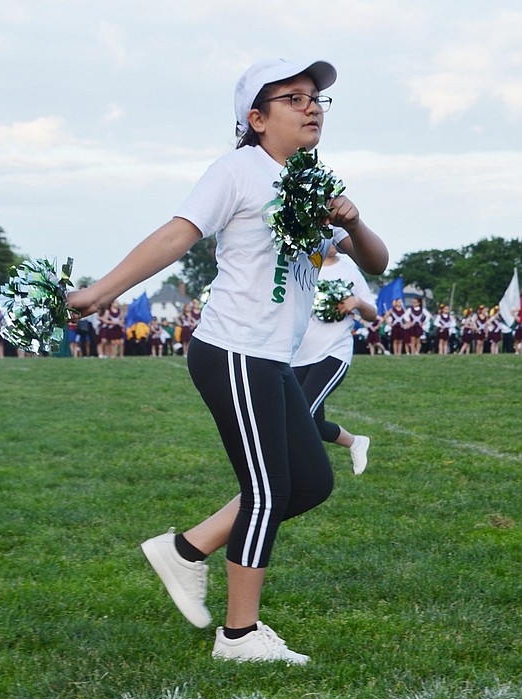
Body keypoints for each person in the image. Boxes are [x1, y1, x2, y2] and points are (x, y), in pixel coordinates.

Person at [68, 57, 388, 664]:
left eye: (316, 98)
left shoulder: (314, 186)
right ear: (256, 118)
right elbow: (177, 234)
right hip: (234, 349)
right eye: (293, 98)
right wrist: (99, 293)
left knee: (311, 482)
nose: (312, 106)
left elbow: (375, 261)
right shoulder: (237, 170)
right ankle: (239, 636)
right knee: (267, 489)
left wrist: (353, 217)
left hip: (272, 357)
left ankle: (186, 550)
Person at [291, 245, 377, 476]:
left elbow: (372, 313)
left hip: (332, 353)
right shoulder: (300, 266)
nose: (335, 242)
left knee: (301, 413)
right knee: (313, 422)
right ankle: (356, 442)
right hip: (297, 356)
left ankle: (301, 471)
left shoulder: (350, 272)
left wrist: (357, 302)